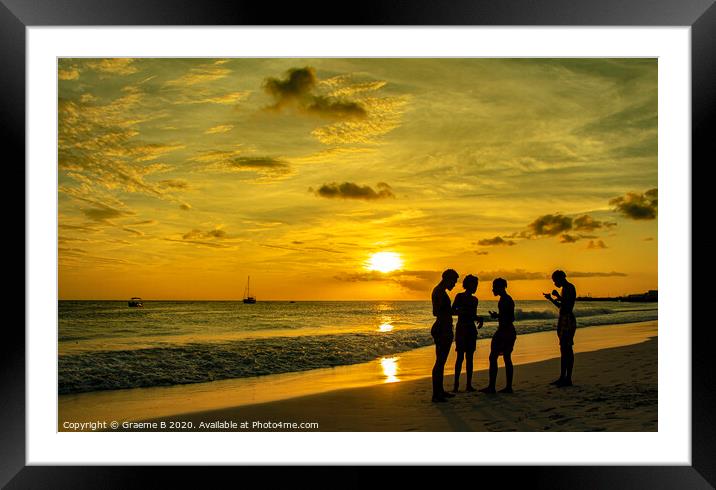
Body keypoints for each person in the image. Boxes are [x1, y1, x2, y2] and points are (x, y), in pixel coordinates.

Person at [480, 278, 516, 394]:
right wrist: (498, 316)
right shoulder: (504, 299)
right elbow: (507, 316)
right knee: (505, 358)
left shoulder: (506, 300)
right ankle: (506, 387)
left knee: (495, 357)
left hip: (505, 332)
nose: (492, 290)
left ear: (500, 287)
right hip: (506, 331)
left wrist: (498, 317)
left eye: (494, 287)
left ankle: (493, 387)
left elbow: (510, 318)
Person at [543, 270, 577, 387]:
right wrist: (551, 299)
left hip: (567, 320)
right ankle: (563, 377)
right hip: (563, 319)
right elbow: (561, 306)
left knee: (567, 349)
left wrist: (558, 296)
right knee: (563, 349)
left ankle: (568, 378)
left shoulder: (570, 287)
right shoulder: (565, 288)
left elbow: (568, 304)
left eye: (555, 281)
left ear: (560, 279)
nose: (554, 283)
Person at [430, 269, 459, 402]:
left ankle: (440, 391)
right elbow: (437, 312)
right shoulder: (439, 292)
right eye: (453, 281)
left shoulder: (440, 291)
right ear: (447, 279)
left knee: (441, 361)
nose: (454, 285)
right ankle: (437, 394)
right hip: (442, 329)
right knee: (440, 362)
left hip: (443, 328)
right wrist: (452, 310)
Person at [451, 275, 483, 393]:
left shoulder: (475, 300)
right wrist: (462, 311)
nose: (476, 287)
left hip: (471, 329)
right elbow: (452, 310)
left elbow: (473, 315)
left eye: (476, 285)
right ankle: (456, 385)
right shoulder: (459, 296)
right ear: (468, 285)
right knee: (460, 357)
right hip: (461, 329)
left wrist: (479, 319)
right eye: (474, 285)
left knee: (470, 358)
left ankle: (468, 385)